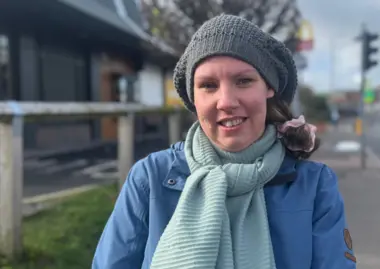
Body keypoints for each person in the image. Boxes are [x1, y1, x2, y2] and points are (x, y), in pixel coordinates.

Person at [92, 14, 356, 269]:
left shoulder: (314, 186)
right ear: (193, 97)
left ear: (269, 87)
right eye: (208, 85)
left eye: (243, 81)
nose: (227, 101)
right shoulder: (150, 179)